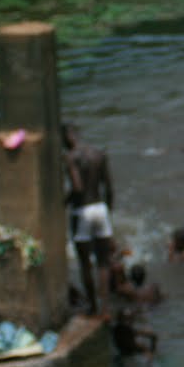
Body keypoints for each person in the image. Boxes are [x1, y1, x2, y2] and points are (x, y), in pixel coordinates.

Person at [62, 123, 116, 316]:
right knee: (103, 262)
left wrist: (63, 202)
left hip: (82, 211)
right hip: (100, 208)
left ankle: (92, 306)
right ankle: (106, 307)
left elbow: (77, 187)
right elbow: (109, 188)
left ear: (66, 138)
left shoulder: (71, 157)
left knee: (85, 263)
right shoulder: (99, 154)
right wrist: (108, 212)